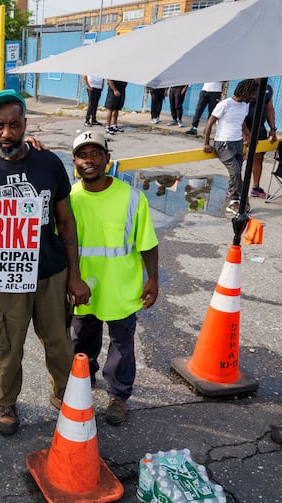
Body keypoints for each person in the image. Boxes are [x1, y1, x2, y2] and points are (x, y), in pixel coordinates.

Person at [0, 90, 90, 437]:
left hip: (50, 273)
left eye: (14, 124)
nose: (7, 133)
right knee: (8, 345)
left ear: (26, 124)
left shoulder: (49, 163)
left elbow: (66, 222)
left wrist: (74, 275)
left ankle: (65, 394)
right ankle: (6, 401)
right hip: (3, 279)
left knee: (58, 341)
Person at [69, 131, 159, 426]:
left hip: (122, 291)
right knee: (82, 343)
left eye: (96, 153)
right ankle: (83, 383)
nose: (90, 160)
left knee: (122, 346)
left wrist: (153, 279)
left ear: (108, 158)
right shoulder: (70, 199)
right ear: (75, 162)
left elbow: (147, 243)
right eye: (83, 155)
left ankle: (119, 396)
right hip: (84, 291)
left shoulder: (132, 197)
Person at [202, 79, 260, 216]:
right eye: (253, 93)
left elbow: (242, 124)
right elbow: (210, 123)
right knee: (235, 173)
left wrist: (249, 137)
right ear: (245, 91)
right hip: (223, 144)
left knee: (237, 172)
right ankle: (244, 199)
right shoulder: (225, 104)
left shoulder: (244, 105)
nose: (254, 96)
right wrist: (206, 142)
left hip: (237, 142)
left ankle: (233, 202)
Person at [245, 78, 278, 199]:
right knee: (238, 158)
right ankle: (233, 189)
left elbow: (269, 108)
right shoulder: (246, 84)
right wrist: (244, 131)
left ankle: (255, 188)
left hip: (259, 129)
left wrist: (273, 129)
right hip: (243, 127)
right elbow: (238, 107)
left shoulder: (268, 88)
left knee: (258, 158)